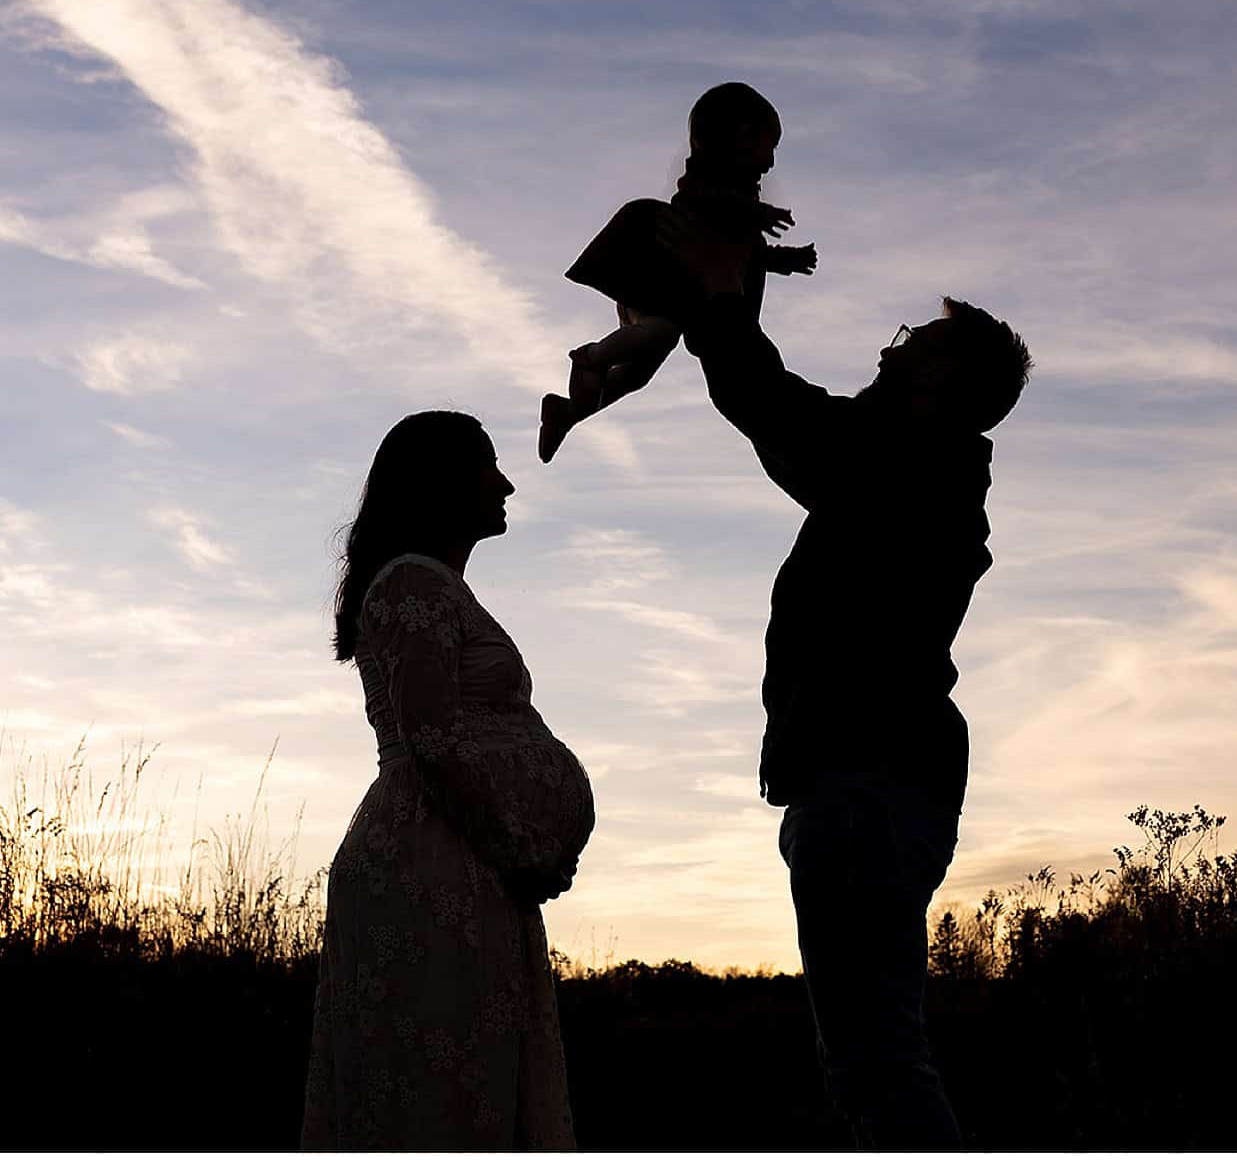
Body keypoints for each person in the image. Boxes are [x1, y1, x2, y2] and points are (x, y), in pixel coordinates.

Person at [658, 207, 1033, 1147]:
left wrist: (716, 289)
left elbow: (779, 409)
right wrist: (730, 288)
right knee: (870, 1054)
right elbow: (781, 418)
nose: (895, 346)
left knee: (876, 1060)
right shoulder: (904, 466)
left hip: (866, 785)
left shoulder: (915, 468)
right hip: (869, 781)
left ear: (943, 379)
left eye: (918, 341)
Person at [302, 410, 595, 1150]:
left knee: (476, 1087)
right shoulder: (411, 584)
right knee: (436, 1098)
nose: (505, 483)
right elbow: (430, 739)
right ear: (440, 483)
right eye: (487, 465)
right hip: (434, 858)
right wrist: (522, 848)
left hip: (464, 860)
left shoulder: (433, 587)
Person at [538, 82, 818, 462]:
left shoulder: (741, 206)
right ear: (733, 138)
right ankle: (590, 358)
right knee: (660, 332)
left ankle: (569, 412)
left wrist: (784, 260)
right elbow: (699, 205)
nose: (770, 162)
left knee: (639, 373)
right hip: (659, 272)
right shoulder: (712, 188)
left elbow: (743, 254)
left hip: (681, 291)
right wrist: (753, 214)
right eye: (767, 146)